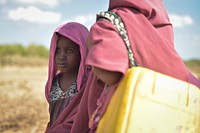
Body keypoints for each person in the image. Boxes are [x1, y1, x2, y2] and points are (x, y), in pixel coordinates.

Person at [70, 0, 200, 133]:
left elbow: (109, 73)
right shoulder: (162, 32)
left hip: (127, 120)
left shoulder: (112, 22)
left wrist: (94, 47)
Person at [44, 22, 89, 133]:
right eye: (57, 50)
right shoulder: (52, 84)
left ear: (82, 51)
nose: (61, 56)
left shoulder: (88, 83)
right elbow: (52, 118)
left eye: (69, 51)